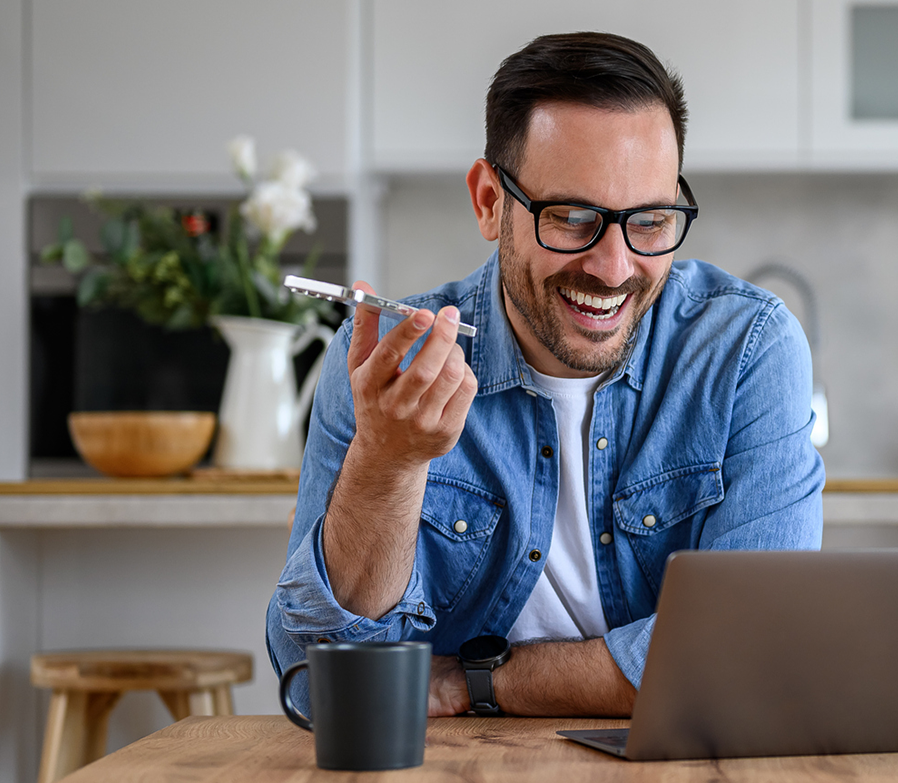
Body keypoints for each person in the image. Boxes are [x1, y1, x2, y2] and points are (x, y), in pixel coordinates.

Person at [267, 31, 823, 718]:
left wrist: (478, 682)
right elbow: (323, 684)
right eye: (572, 218)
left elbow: (753, 655)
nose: (614, 269)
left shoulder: (746, 350)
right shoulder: (386, 364)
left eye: (649, 221)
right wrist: (388, 465)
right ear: (489, 203)